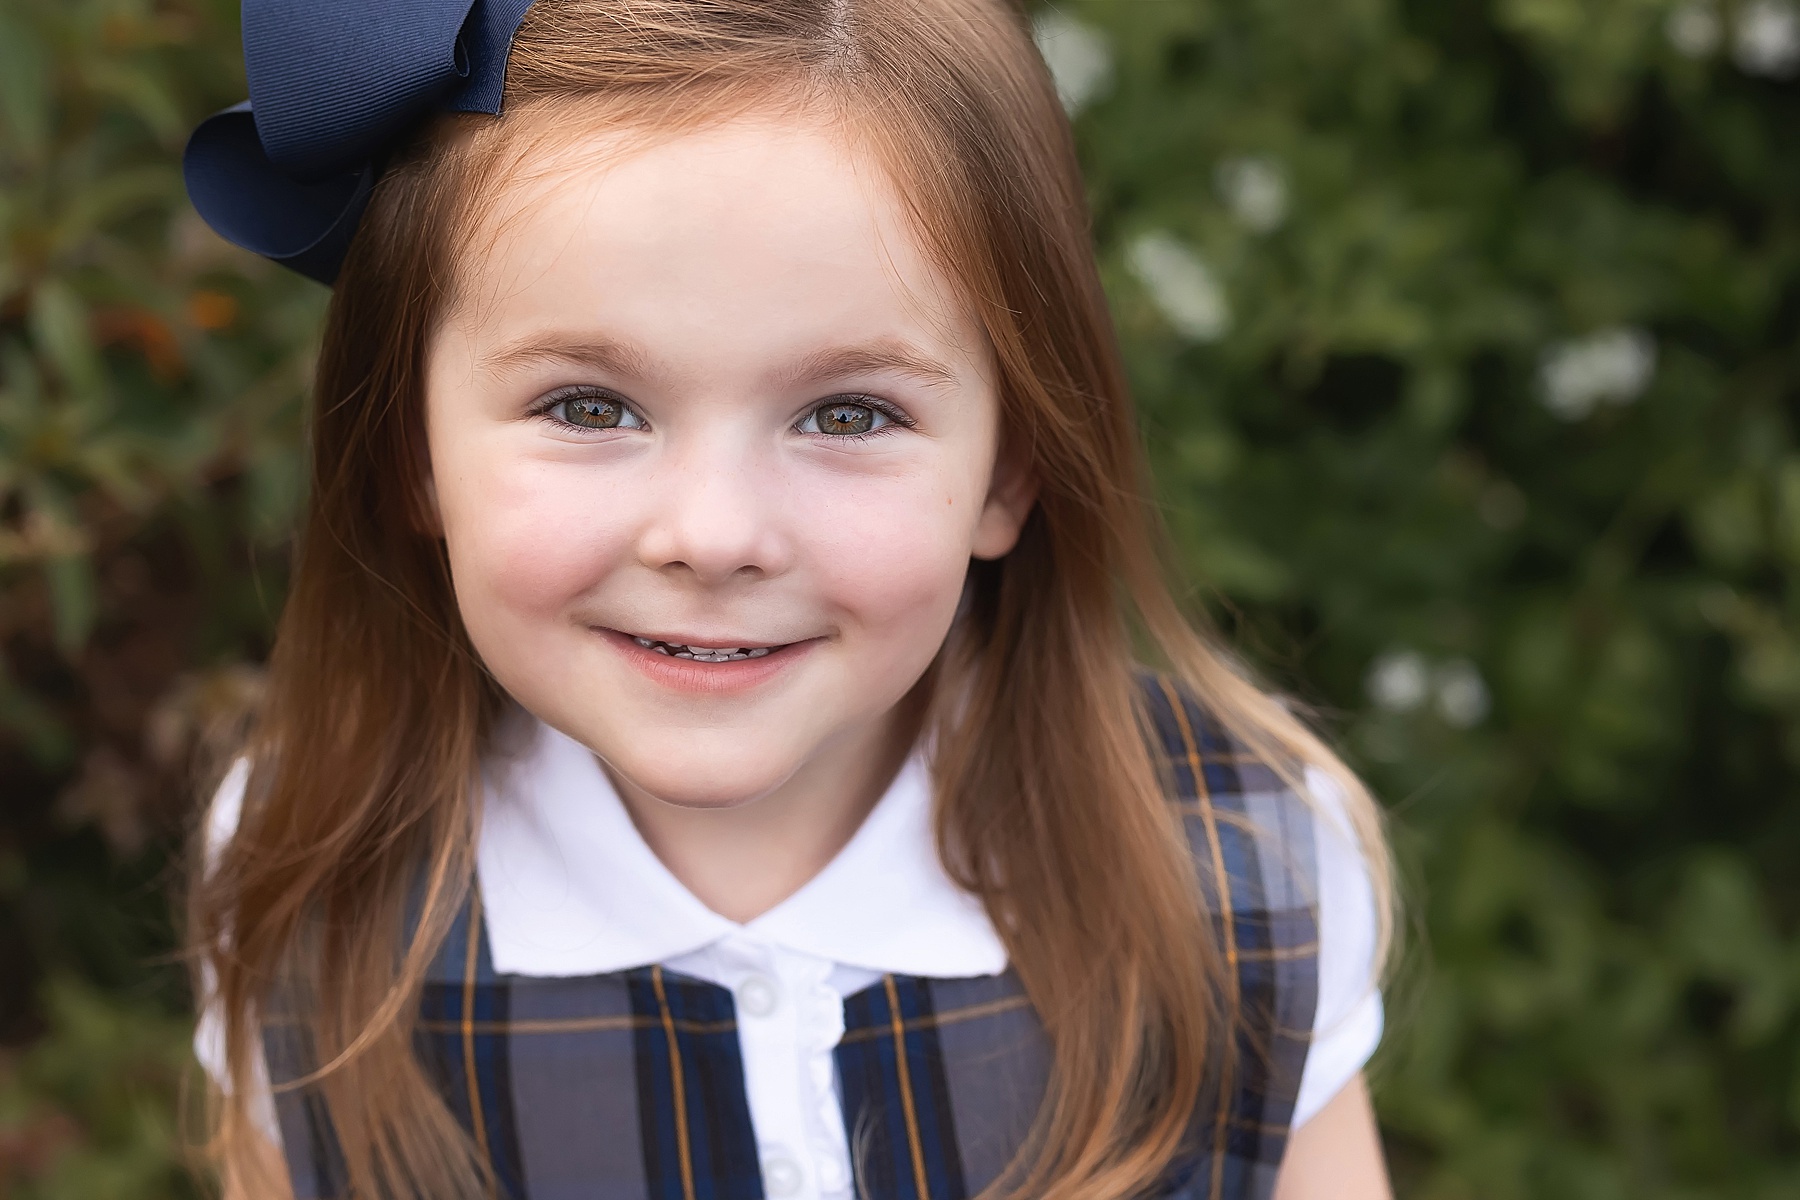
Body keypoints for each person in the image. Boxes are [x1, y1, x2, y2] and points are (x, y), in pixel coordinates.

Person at [183, 1, 1396, 1197]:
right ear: (413, 448)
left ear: (1008, 467)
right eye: (589, 407)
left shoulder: (1242, 868)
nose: (714, 538)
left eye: (848, 414)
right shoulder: (309, 870)